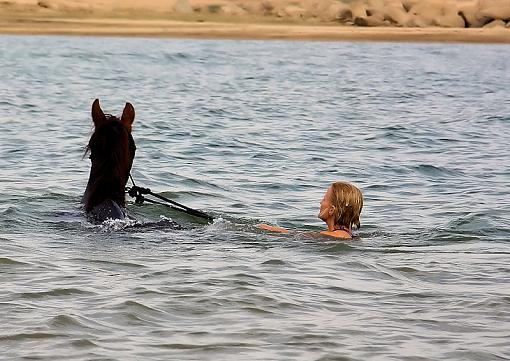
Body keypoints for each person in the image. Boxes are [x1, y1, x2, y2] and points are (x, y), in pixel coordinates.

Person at [259, 181, 363, 239]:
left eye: (324, 199)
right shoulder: (346, 235)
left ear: (331, 210)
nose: (320, 203)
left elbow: (295, 235)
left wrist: (266, 228)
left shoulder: (336, 236)